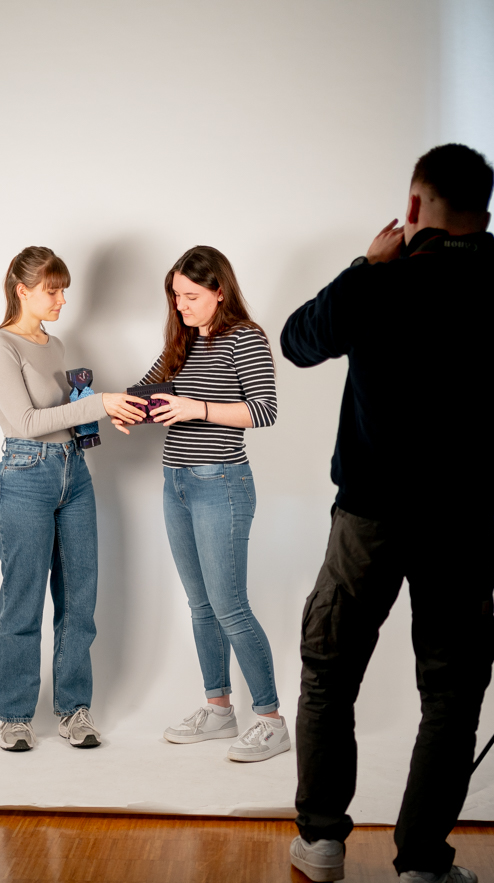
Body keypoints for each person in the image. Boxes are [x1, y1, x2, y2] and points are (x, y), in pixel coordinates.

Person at [278, 145, 494, 883]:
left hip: (367, 517)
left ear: (413, 205)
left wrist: (369, 266)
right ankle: (424, 873)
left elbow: (297, 340)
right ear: (488, 216)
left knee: (330, 672)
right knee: (451, 692)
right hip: (461, 524)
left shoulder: (379, 288)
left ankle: (323, 841)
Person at [118, 246, 285, 762]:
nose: (181, 305)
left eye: (191, 296)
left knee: (230, 605)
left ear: (219, 290)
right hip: (176, 484)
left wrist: (197, 408)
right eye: (175, 296)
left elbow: (264, 411)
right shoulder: (184, 338)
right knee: (200, 604)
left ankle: (272, 720)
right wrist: (127, 408)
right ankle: (218, 709)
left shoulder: (246, 338)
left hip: (222, 484)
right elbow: (149, 388)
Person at [0, 246, 146, 752]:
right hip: (25, 474)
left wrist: (100, 414)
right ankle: (14, 717)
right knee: (23, 602)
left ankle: (74, 710)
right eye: (52, 290)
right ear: (21, 289)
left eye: (63, 289)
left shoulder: (54, 344)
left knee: (79, 600)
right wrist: (97, 402)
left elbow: (61, 413)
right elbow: (25, 423)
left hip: (74, 472)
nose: (62, 298)